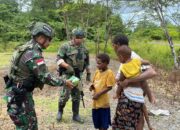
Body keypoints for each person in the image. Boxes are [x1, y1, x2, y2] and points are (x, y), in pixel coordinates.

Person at [3, 22, 73, 130]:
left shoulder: (24, 47)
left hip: (16, 93)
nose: (50, 42)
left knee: (25, 125)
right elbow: (45, 76)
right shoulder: (33, 53)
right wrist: (64, 82)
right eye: (49, 39)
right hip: (20, 97)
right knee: (28, 126)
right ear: (40, 38)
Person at [111, 34, 156, 130]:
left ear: (117, 44)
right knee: (136, 117)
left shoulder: (132, 57)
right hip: (131, 96)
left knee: (132, 120)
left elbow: (151, 72)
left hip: (130, 96)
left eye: (113, 45)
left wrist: (128, 81)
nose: (112, 47)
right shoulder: (127, 56)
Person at [56, 28, 91, 123]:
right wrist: (67, 66)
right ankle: (60, 111)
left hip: (78, 75)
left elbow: (87, 62)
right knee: (65, 95)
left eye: (81, 38)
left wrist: (88, 73)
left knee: (77, 95)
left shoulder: (85, 49)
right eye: (78, 37)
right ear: (73, 37)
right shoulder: (65, 46)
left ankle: (76, 115)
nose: (80, 39)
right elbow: (58, 59)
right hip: (67, 75)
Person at [89, 53, 115, 130]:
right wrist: (92, 87)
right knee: (98, 122)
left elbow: (109, 87)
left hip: (103, 103)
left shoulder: (109, 73)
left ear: (106, 63)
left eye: (99, 63)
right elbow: (95, 83)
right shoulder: (97, 72)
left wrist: (99, 94)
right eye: (97, 63)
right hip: (96, 102)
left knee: (104, 124)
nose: (97, 65)